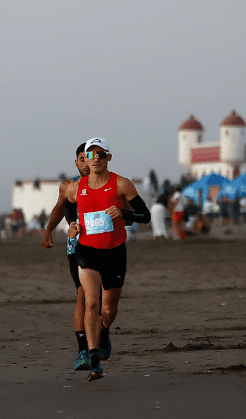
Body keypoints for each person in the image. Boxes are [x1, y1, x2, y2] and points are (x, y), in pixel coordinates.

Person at [74, 138, 151, 381]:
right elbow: (66, 208)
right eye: (91, 154)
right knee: (91, 303)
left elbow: (145, 216)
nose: (96, 158)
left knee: (108, 309)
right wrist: (72, 225)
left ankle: (105, 331)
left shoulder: (121, 184)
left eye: (101, 153)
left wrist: (124, 213)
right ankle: (94, 358)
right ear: (84, 158)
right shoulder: (75, 187)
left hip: (115, 252)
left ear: (108, 157)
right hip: (87, 252)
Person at [41, 149, 90, 370]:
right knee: (83, 295)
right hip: (76, 246)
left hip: (105, 245)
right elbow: (59, 209)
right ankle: (83, 351)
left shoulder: (109, 185)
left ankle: (103, 333)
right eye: (82, 159)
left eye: (90, 158)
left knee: (102, 301)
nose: (86, 163)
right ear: (76, 163)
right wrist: (48, 230)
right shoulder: (67, 186)